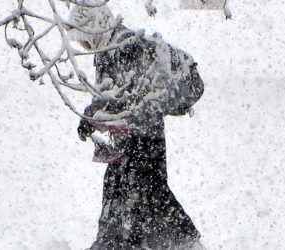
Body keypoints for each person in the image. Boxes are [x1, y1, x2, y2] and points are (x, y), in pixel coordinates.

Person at [68, 4, 204, 249]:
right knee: (124, 186)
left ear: (95, 27)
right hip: (131, 134)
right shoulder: (106, 49)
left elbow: (138, 99)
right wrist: (89, 118)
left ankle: (169, 241)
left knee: (143, 189)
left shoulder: (128, 47)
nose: (84, 47)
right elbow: (109, 93)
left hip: (146, 133)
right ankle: (121, 242)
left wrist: (114, 119)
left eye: (84, 38)